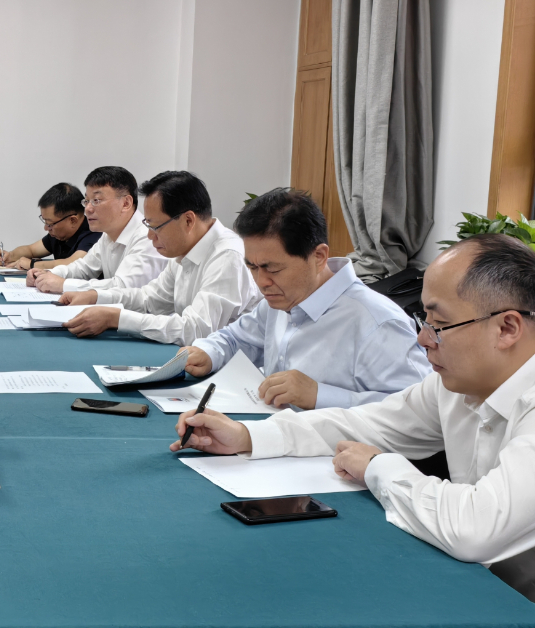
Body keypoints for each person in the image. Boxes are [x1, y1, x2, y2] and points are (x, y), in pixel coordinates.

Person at [172, 234, 535, 599]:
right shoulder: (456, 384)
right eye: (423, 320)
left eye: (439, 325)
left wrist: (378, 466)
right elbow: (362, 423)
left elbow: (473, 529)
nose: (424, 339)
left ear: (507, 328)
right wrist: (247, 436)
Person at [180, 188, 430, 409]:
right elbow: (236, 339)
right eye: (252, 267)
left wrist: (320, 395)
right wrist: (209, 352)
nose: (261, 282)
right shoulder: (279, 301)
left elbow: (418, 411)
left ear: (319, 257)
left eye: (272, 268)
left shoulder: (379, 324)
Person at [57, 171, 260, 345]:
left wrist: (116, 318)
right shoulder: (183, 249)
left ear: (188, 220)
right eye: (148, 225)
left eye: (155, 227)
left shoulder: (228, 256)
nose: (150, 236)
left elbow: (196, 330)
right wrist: (95, 297)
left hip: (231, 369)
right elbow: (150, 299)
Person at [27, 166, 168, 294]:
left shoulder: (147, 237)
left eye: (96, 200)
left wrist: (63, 285)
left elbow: (124, 288)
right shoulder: (108, 235)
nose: (88, 209)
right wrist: (46, 274)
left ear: (126, 203)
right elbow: (83, 268)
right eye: (87, 201)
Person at [0, 183, 100, 271]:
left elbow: (73, 264)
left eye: (50, 223)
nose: (46, 228)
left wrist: (32, 264)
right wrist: (9, 256)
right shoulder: (59, 235)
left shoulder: (94, 234)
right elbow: (31, 250)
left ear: (72, 220)